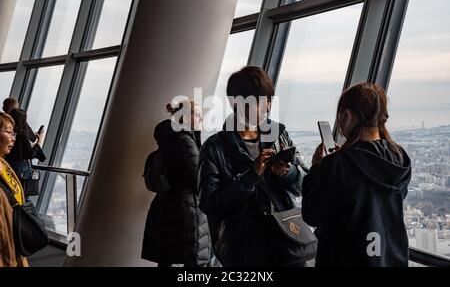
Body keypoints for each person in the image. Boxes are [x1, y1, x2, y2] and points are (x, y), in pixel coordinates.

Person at [198, 66, 308, 267]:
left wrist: (286, 172)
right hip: (242, 247)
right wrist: (251, 176)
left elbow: (300, 185)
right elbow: (210, 203)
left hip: (285, 241)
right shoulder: (215, 147)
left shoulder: (278, 133)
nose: (265, 107)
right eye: (258, 101)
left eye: (267, 100)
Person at [301, 83, 411, 267]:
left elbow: (313, 215)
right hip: (391, 259)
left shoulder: (337, 164)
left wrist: (316, 170)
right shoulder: (399, 157)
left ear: (347, 115)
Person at [141, 99, 210, 267]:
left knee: (167, 258)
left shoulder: (171, 138)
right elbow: (198, 179)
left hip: (168, 208)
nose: (202, 119)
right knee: (193, 261)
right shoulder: (185, 142)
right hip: (185, 211)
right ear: (186, 118)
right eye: (198, 115)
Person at [0, 112, 28, 267]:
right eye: (9, 132)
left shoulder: (5, 165)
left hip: (12, 245)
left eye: (14, 133)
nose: (13, 138)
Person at [5, 109, 46, 200]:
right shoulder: (22, 133)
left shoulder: (10, 132)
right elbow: (30, 154)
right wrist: (40, 140)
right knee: (23, 198)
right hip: (21, 169)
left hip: (9, 166)